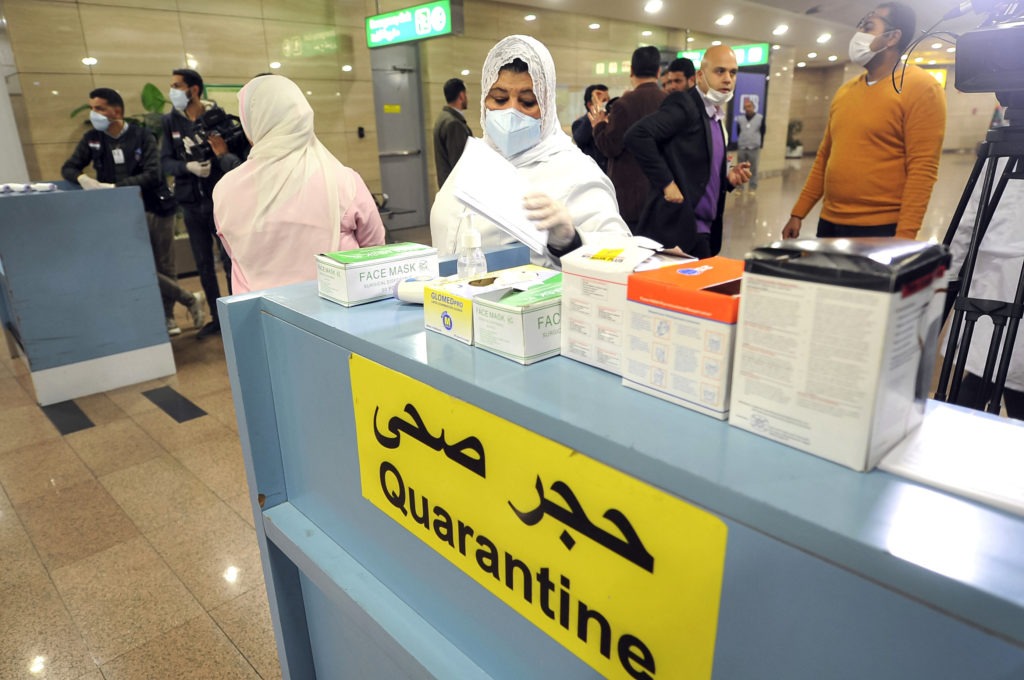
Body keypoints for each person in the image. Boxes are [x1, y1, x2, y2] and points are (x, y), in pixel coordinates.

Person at [429, 35, 630, 268]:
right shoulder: (475, 159)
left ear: (546, 106)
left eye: (527, 102)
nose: (511, 111)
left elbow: (619, 255)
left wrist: (570, 241)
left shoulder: (576, 171)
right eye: (500, 98)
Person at [782, 2, 946, 240]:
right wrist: (798, 213)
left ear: (892, 37)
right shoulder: (845, 91)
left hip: (880, 228)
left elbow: (922, 169)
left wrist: (904, 237)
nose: (858, 34)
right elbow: (824, 157)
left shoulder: (921, 88)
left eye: (868, 27)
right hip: (830, 222)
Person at [213, 75, 386, 294]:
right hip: (337, 316)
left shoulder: (225, 189)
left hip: (258, 316)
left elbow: (233, 252)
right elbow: (375, 250)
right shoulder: (342, 180)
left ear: (252, 122)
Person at [61, 87, 205, 337]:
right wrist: (82, 177)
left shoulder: (143, 136)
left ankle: (168, 316)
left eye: (99, 108)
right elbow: (69, 167)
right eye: (92, 108)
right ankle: (189, 298)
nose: (94, 113)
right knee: (136, 263)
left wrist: (114, 187)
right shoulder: (93, 139)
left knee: (164, 263)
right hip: (120, 215)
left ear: (116, 111)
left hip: (156, 209)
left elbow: (152, 174)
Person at [625, 45, 752, 259]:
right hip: (680, 229)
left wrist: (728, 179)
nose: (728, 79)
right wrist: (667, 183)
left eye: (733, 72)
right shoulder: (685, 105)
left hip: (704, 230)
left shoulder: (715, 115)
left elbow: (700, 168)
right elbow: (637, 135)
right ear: (700, 76)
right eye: (720, 71)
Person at [162, 68, 247, 339]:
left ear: (194, 89)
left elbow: (235, 154)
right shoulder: (170, 122)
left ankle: (236, 315)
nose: (172, 90)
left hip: (218, 200)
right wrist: (187, 167)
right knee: (203, 264)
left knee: (229, 259)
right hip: (190, 202)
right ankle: (216, 317)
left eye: (177, 85)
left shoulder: (216, 118)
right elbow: (164, 161)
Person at [946, 157, 1024, 419]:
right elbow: (970, 218)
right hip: (989, 283)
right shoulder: (1003, 152)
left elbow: (970, 219)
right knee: (991, 379)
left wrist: (948, 277)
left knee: (988, 379)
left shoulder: (1002, 153)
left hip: (988, 283)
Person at [591, 46, 667, 233]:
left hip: (630, 198)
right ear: (658, 71)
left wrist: (599, 126)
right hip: (662, 194)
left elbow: (611, 146)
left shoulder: (624, 104)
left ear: (631, 71)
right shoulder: (668, 102)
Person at [433, 78, 472, 188]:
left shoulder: (443, 117)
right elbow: (459, 164)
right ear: (461, 95)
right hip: (456, 190)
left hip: (448, 187)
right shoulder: (454, 123)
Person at [571, 84, 609, 172]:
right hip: (592, 172)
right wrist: (596, 111)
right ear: (589, 104)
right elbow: (580, 139)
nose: (605, 104)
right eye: (603, 100)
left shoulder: (612, 121)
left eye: (608, 100)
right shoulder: (579, 123)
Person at [736, 98, 765, 195]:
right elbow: (738, 131)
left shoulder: (760, 118)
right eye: (746, 107)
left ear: (753, 107)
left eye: (749, 106)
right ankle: (739, 188)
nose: (747, 109)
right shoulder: (740, 119)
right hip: (742, 147)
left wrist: (759, 143)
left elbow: (763, 131)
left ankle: (752, 188)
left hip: (754, 147)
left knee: (753, 169)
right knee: (740, 169)